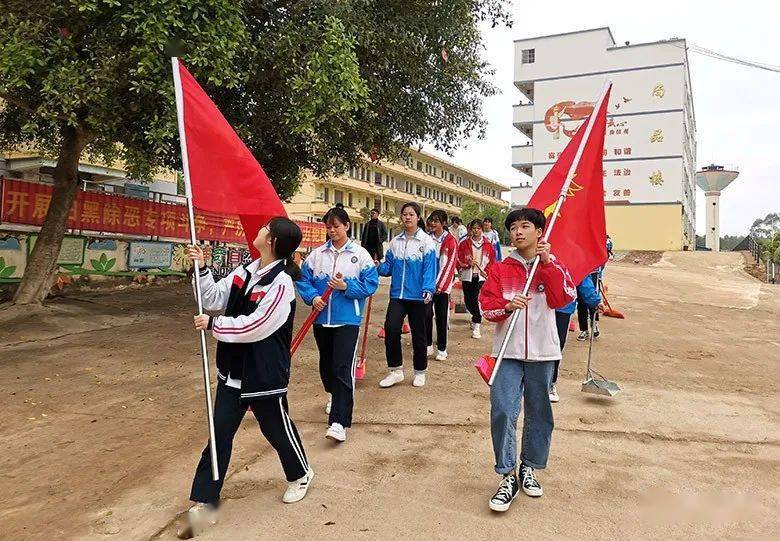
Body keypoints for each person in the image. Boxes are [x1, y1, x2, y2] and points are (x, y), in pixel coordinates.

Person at [180, 217, 312, 538]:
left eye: (266, 228)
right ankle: (206, 500)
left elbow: (257, 325)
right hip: (233, 371)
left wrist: (215, 325)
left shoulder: (281, 284)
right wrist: (201, 268)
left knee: (276, 429)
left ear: (273, 241)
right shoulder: (246, 271)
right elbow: (213, 298)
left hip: (263, 373)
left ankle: (301, 474)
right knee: (220, 435)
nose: (260, 230)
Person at [478, 207, 576, 513]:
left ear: (539, 232)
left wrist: (547, 265)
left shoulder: (552, 265)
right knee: (503, 411)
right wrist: (507, 307)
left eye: (525, 226)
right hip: (506, 351)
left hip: (543, 352)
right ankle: (507, 475)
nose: (518, 232)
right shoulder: (500, 269)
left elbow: (564, 300)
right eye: (513, 228)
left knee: (539, 413)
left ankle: (529, 466)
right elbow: (486, 306)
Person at [295, 207, 378, 443]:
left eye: (336, 226)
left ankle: (339, 422)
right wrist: (313, 297)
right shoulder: (317, 255)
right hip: (321, 319)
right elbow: (303, 280)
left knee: (343, 368)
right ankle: (333, 394)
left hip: (347, 320)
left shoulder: (360, 255)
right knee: (326, 365)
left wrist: (346, 287)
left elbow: (370, 284)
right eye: (328, 227)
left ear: (347, 226)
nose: (332, 231)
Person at [377, 202, 436, 388]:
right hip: (398, 295)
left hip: (419, 296)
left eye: (411, 214)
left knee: (419, 335)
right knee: (391, 329)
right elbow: (388, 268)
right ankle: (395, 371)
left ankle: (420, 371)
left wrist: (428, 288)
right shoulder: (395, 242)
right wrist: (377, 267)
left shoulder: (427, 242)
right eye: (404, 214)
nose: (407, 217)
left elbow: (430, 268)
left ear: (418, 217)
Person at [550, 277, 603, 402]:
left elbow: (582, 278)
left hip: (562, 308)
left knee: (556, 345)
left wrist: (594, 301)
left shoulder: (574, 265)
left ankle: (550, 383)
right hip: (538, 306)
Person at [425, 210, 458, 361]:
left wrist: (440, 286)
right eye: (431, 220)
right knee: (426, 315)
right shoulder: (426, 239)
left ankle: (442, 348)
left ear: (443, 223)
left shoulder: (450, 241)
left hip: (442, 286)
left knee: (441, 317)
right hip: (427, 285)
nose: (433, 223)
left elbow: (450, 265)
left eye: (436, 221)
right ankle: (427, 345)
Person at [457, 219, 495, 339]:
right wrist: (468, 263)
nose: (476, 230)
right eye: (474, 228)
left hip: (480, 277)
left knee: (475, 299)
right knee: (468, 301)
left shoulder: (488, 245)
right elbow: (458, 259)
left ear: (482, 230)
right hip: (468, 276)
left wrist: (487, 271)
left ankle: (477, 323)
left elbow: (492, 261)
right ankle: (474, 317)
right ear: (470, 229)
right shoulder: (464, 244)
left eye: (478, 228)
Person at [576, 267, 603, 341]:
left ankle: (594, 323)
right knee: (581, 302)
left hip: (593, 272)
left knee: (593, 299)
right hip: (580, 271)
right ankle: (584, 329)